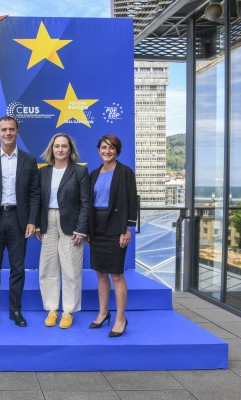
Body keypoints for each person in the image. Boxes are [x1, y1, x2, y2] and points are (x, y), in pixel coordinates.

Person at [0, 115, 40, 327]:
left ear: (17, 132)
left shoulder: (29, 160)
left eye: (11, 129)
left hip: (18, 220)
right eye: (3, 130)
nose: (7, 133)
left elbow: (34, 194)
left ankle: (15, 310)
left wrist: (32, 221)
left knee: (18, 268)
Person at [36, 134, 89, 329]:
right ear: (52, 149)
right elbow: (37, 201)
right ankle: (52, 309)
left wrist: (82, 229)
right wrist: (37, 224)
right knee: (48, 267)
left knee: (71, 269)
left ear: (70, 150)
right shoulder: (43, 172)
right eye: (56, 146)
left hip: (71, 224)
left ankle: (68, 311)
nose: (60, 150)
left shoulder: (79, 172)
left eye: (64, 146)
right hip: (47, 222)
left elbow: (85, 203)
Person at [88, 134, 137, 337]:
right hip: (96, 227)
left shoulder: (125, 172)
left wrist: (128, 229)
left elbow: (132, 202)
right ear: (98, 150)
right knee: (100, 273)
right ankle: (103, 313)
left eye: (111, 148)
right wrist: (88, 230)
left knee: (116, 274)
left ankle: (120, 318)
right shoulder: (93, 173)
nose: (107, 151)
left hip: (116, 227)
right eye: (104, 148)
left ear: (117, 151)